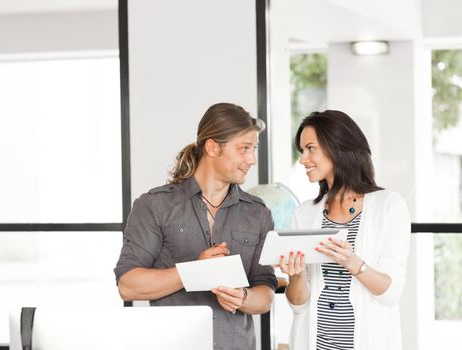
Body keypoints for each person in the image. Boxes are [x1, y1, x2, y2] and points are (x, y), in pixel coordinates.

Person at [114, 102, 278, 350]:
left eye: (253, 149)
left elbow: (264, 296)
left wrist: (243, 297)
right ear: (212, 147)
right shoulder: (154, 206)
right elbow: (128, 286)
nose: (252, 159)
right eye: (244, 149)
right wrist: (195, 272)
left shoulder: (257, 213)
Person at [279, 110, 411, 350]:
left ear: (336, 147)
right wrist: (296, 274)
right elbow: (298, 305)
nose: (303, 159)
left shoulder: (389, 205)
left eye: (310, 148)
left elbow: (391, 293)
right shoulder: (305, 213)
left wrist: (354, 264)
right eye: (301, 151)